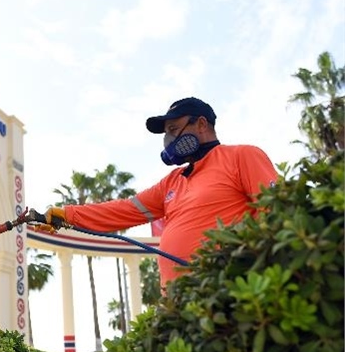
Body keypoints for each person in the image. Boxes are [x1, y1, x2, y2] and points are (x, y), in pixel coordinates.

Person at [43, 97, 278, 288]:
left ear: (202, 124)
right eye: (167, 132)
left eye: (174, 129)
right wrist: (67, 214)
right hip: (176, 306)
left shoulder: (242, 156)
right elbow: (123, 210)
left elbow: (276, 211)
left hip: (225, 295)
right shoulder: (172, 182)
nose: (169, 139)